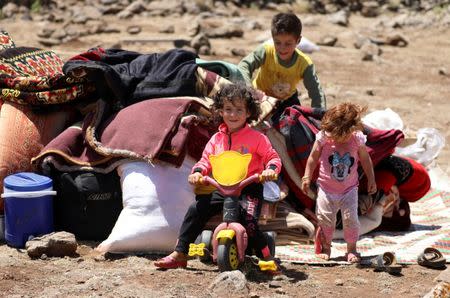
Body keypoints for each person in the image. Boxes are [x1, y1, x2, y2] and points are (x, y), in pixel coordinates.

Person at [154, 83, 282, 270]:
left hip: (249, 187)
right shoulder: (216, 140)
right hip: (224, 187)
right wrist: (198, 173)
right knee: (196, 209)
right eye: (228, 109)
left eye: (239, 110)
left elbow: (272, 157)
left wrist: (270, 169)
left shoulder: (257, 138)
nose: (233, 115)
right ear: (220, 111)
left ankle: (266, 255)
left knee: (249, 220)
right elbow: (205, 160)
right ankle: (180, 253)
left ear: (248, 113)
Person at [300, 102, 377, 263]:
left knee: (351, 219)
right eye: (334, 134)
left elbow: (365, 159)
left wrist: (371, 179)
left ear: (352, 129)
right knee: (325, 219)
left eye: (342, 135)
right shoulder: (324, 137)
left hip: (349, 189)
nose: (337, 138)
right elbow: (313, 157)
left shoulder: (357, 139)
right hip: (326, 189)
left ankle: (351, 249)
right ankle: (326, 248)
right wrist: (307, 176)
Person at [237, 12, 326, 124]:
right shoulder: (266, 51)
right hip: (260, 97)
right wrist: (249, 91)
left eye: (288, 43)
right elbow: (244, 65)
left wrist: (319, 116)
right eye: (277, 42)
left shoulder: (304, 63)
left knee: (296, 127)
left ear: (298, 40)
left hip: (287, 101)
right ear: (272, 38)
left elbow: (316, 92)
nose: (282, 48)